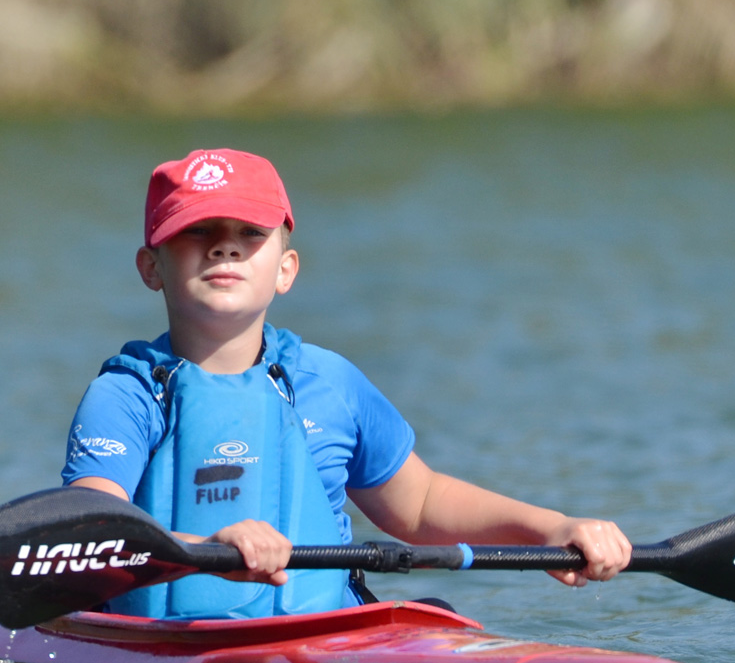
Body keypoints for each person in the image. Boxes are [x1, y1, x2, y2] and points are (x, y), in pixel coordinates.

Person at [62, 148, 631, 619]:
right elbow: (90, 532)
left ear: (286, 270)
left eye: (250, 232)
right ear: (151, 267)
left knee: (440, 617)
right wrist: (202, 549)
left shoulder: (329, 382)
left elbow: (420, 505)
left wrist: (550, 528)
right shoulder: (127, 396)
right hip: (161, 653)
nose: (224, 246)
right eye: (197, 231)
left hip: (328, 637)